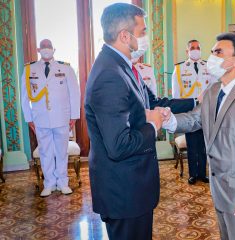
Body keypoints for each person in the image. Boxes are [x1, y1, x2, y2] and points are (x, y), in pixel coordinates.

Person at [162, 32, 235, 240]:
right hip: (218, 189)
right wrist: (167, 119)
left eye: (218, 52)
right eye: (212, 52)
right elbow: (195, 119)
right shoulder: (213, 89)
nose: (212, 57)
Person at [84, 3, 164, 239]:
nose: (146, 37)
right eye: (143, 32)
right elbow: (119, 145)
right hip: (124, 193)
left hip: (132, 189)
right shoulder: (110, 74)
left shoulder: (120, 65)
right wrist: (153, 125)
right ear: (125, 36)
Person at [21, 39, 80, 197]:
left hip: (62, 117)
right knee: (45, 151)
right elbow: (24, 97)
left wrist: (74, 116)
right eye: (43, 46)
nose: (46, 49)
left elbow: (74, 93)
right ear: (39, 49)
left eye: (49, 47)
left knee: (61, 151)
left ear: (53, 49)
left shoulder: (65, 68)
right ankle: (49, 184)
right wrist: (29, 119)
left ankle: (63, 182)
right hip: (40, 119)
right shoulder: (29, 69)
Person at [172, 40, 217, 184]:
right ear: (187, 51)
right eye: (192, 48)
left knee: (203, 143)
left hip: (205, 109)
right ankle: (193, 173)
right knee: (192, 143)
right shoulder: (179, 69)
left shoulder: (208, 66)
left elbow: (215, 87)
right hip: (189, 111)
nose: (196, 50)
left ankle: (202, 173)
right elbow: (176, 94)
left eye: (198, 47)